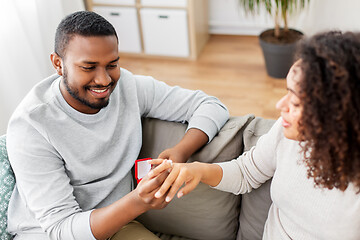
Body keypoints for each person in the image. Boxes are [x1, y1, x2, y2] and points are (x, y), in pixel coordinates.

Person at [6, 11, 229, 240]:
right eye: (88, 67)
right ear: (58, 64)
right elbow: (61, 228)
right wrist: (138, 201)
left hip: (116, 225)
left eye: (112, 65)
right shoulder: (30, 126)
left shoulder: (128, 87)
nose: (103, 80)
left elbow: (210, 105)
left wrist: (181, 151)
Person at [150, 31, 360, 239]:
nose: (280, 105)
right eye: (287, 92)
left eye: (296, 102)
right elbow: (246, 172)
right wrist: (198, 170)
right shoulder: (286, 133)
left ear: (336, 114)